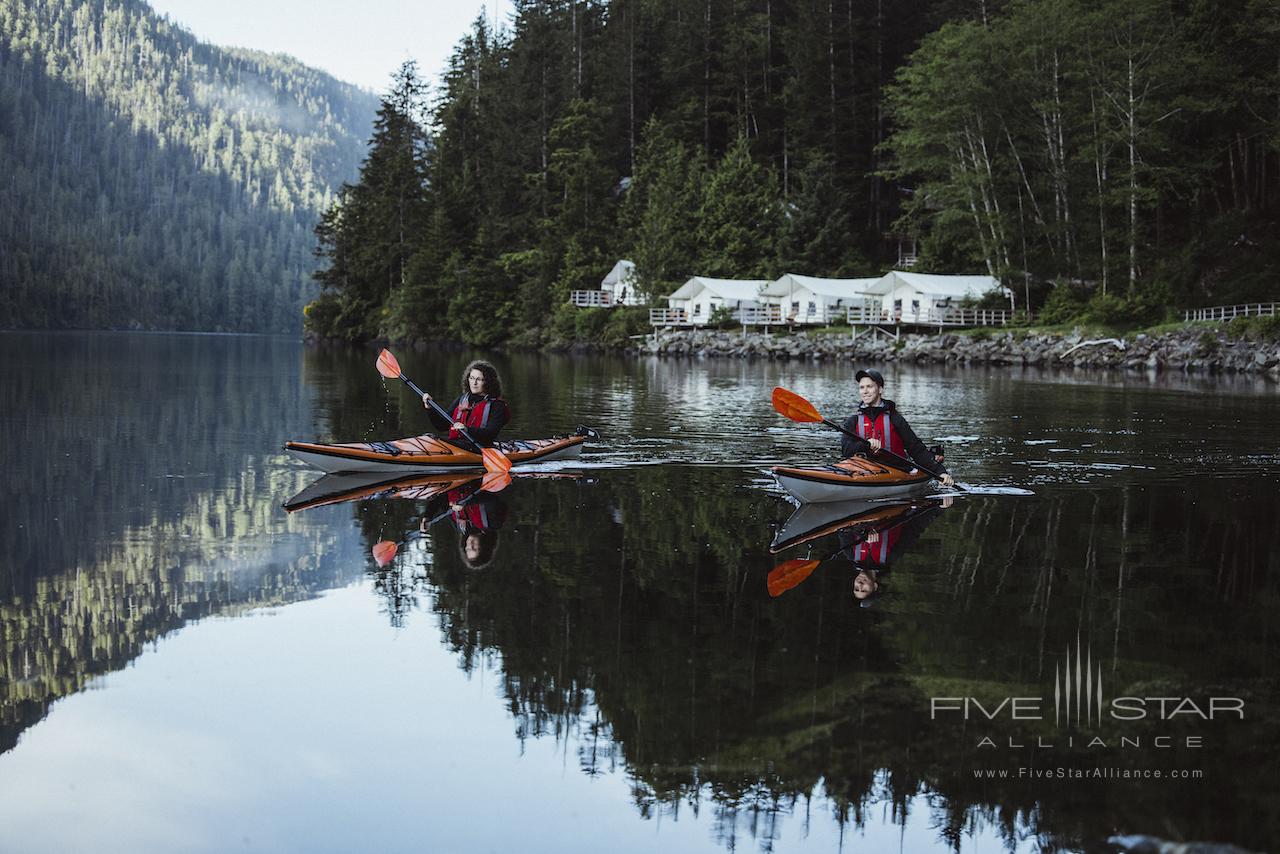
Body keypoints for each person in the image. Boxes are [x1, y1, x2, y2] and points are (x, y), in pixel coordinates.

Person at [841, 368, 955, 489]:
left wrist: (941, 472)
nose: (865, 391)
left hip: (895, 469)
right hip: (862, 468)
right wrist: (865, 445)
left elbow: (916, 450)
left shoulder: (895, 418)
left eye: (869, 386)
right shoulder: (853, 420)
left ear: (880, 389)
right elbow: (846, 450)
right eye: (862, 387)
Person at [423, 360, 510, 450]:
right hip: (456, 447)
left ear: (489, 382)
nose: (474, 383)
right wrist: (429, 408)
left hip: (479, 448)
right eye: (471, 378)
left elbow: (491, 433)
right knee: (429, 437)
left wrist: (467, 429)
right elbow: (442, 426)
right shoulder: (462, 399)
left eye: (479, 379)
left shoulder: (497, 405)